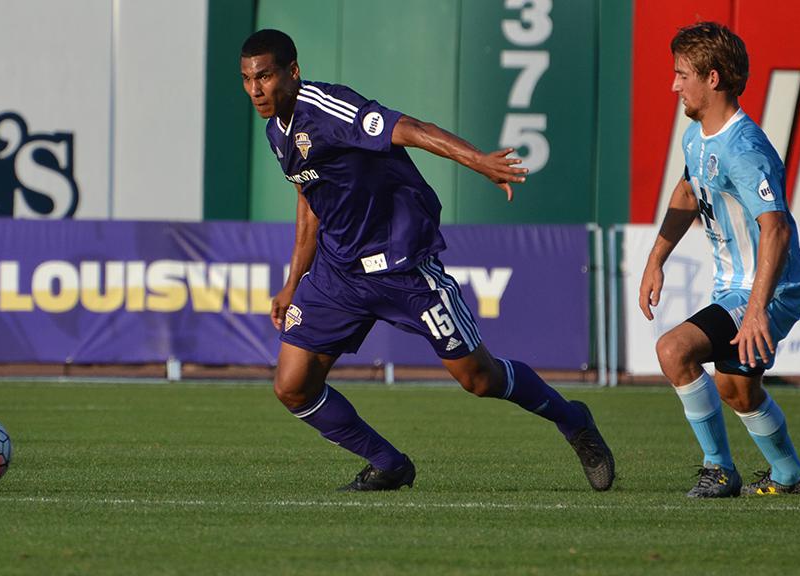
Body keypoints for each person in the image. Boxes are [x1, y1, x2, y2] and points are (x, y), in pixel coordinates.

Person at [240, 29, 615, 492]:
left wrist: (479, 160)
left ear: (292, 72)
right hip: (339, 273)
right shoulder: (276, 130)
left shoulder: (328, 107)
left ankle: (573, 419)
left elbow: (411, 129)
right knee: (292, 386)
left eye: (265, 76)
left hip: (402, 267)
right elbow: (309, 201)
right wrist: (293, 280)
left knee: (479, 378)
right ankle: (389, 463)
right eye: (247, 79)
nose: (256, 90)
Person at [639, 22, 800, 497]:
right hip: (735, 286)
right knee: (735, 389)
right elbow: (685, 190)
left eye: (682, 75)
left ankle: (718, 468)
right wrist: (657, 257)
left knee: (674, 350)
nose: (674, 85)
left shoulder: (744, 148)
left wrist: (757, 309)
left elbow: (775, 226)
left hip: (769, 286)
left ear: (712, 78)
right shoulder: (697, 138)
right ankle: (792, 476)